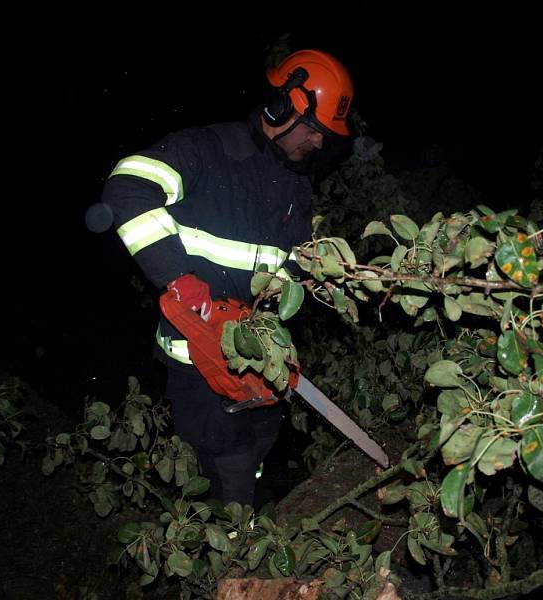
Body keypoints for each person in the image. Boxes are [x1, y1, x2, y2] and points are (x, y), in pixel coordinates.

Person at [100, 49, 354, 506]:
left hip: (256, 358)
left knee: (258, 445)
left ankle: (242, 525)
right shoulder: (208, 151)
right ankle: (235, 545)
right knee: (228, 455)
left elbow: (286, 271)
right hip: (196, 356)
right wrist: (176, 275)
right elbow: (128, 186)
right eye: (315, 130)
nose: (319, 144)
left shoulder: (295, 189)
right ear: (284, 108)